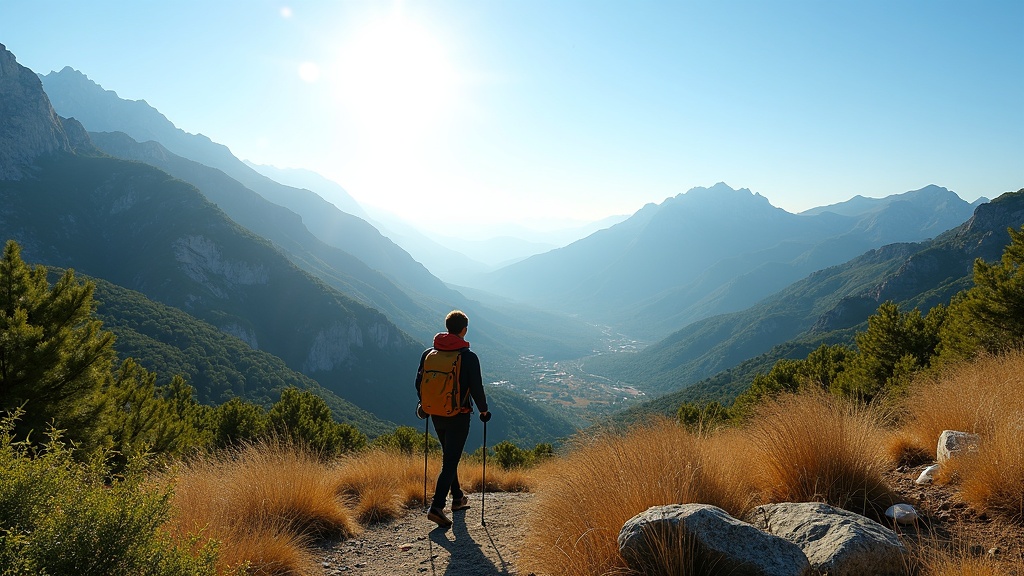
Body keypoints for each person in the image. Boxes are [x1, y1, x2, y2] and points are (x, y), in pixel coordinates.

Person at [416, 309, 490, 528]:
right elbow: (476, 387)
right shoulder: (468, 357)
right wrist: (484, 410)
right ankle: (437, 506)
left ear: (447, 327)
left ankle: (457, 498)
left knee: (450, 456)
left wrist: (426, 404)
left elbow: (419, 382)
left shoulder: (429, 353)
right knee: (450, 460)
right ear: (464, 330)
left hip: (436, 413)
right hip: (458, 415)